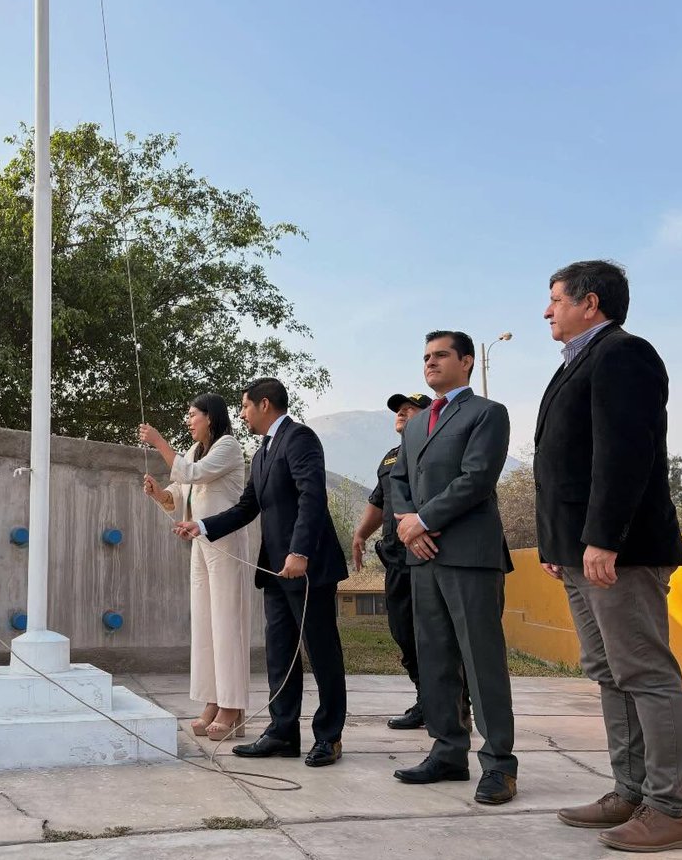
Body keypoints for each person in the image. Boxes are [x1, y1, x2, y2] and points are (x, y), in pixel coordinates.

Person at [536, 260, 682, 852]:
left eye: (555, 298)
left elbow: (625, 454)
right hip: (580, 553)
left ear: (591, 302)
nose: (547, 310)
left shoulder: (623, 354)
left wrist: (604, 537)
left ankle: (671, 810)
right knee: (610, 673)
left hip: (619, 552)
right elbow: (568, 465)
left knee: (647, 675)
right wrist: (561, 546)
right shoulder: (580, 362)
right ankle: (630, 792)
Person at [173, 377, 348, 768]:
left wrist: (299, 551)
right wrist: (200, 526)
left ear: (265, 404)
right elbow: (247, 506)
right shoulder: (263, 452)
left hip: (307, 567)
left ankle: (329, 737)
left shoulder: (300, 439)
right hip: (274, 569)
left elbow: (312, 496)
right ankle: (283, 733)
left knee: (321, 654)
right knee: (280, 653)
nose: (242, 414)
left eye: (246, 406)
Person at [390, 331, 518, 805]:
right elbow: (399, 479)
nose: (430, 363)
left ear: (466, 361)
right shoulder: (418, 422)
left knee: (481, 661)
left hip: (470, 556)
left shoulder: (488, 414)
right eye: (425, 357)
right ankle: (447, 752)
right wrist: (410, 525)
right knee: (436, 657)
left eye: (440, 355)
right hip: (422, 557)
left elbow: (477, 478)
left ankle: (500, 764)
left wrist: (423, 520)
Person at [140, 394, 252, 740]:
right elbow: (179, 492)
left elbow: (194, 475)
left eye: (192, 415)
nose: (188, 421)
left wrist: (158, 441)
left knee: (227, 624)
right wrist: (159, 493)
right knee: (204, 624)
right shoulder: (191, 452)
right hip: (199, 544)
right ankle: (212, 700)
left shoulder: (228, 446)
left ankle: (232, 707)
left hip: (227, 544)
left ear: (210, 417)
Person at [352, 392, 432, 729]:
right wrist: (360, 534)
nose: (402, 412)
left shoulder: (435, 450)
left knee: (433, 632)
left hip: (428, 556)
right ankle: (425, 698)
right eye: (399, 409)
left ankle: (453, 701)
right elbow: (380, 500)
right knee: (403, 631)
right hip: (396, 559)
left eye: (410, 409)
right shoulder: (391, 457)